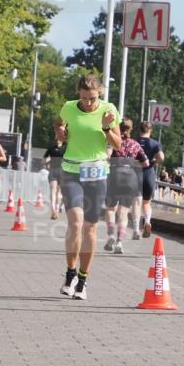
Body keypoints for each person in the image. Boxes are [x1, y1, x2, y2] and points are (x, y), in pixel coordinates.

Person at [58, 75, 120, 300]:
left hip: (96, 173)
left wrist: (106, 127)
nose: (88, 103)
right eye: (84, 98)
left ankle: (83, 280)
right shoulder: (68, 107)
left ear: (99, 93)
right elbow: (59, 125)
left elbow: (118, 144)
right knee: (75, 223)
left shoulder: (109, 110)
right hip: (71, 171)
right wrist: (60, 133)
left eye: (92, 98)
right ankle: (70, 274)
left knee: (90, 228)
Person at [103, 119, 149, 254]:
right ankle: (119, 242)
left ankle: (111, 235)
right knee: (123, 211)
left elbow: (107, 155)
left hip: (114, 175)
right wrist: (132, 163)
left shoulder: (113, 141)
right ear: (131, 129)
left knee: (111, 209)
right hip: (130, 177)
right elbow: (146, 163)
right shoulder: (135, 144)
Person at [135, 121, 165, 238]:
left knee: (136, 202)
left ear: (139, 130)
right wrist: (154, 162)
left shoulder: (134, 142)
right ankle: (147, 221)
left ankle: (136, 229)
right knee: (146, 202)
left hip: (135, 174)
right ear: (150, 130)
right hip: (148, 174)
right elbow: (161, 157)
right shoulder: (155, 144)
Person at [42, 122, 67, 220]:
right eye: (56, 136)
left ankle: (57, 207)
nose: (57, 139)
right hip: (53, 171)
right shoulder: (51, 148)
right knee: (53, 190)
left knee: (59, 192)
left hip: (62, 171)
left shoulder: (66, 148)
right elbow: (44, 159)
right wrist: (47, 162)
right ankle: (53, 210)